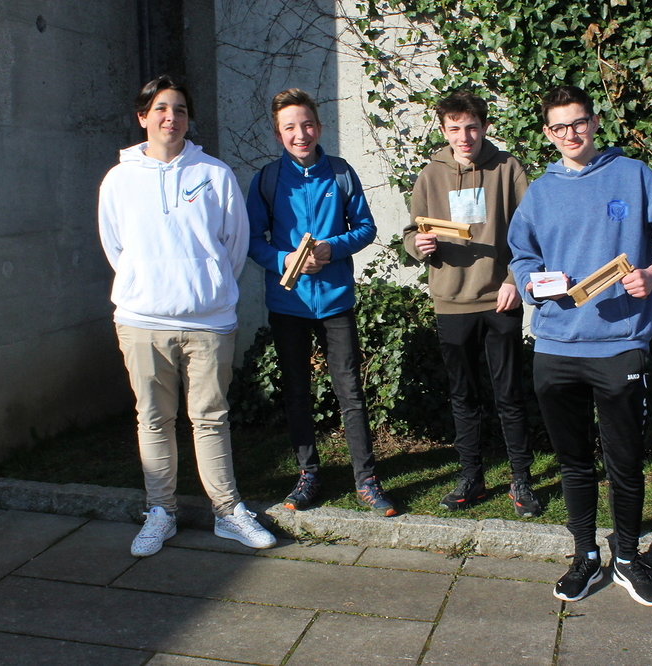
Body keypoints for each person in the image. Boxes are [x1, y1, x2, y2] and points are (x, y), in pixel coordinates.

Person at [508, 85, 652, 606]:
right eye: (559, 127)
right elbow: (521, 256)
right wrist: (533, 283)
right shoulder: (540, 191)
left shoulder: (633, 176)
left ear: (594, 123)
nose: (570, 134)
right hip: (555, 346)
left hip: (620, 345)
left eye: (579, 122)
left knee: (625, 461)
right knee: (573, 462)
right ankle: (586, 555)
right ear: (547, 132)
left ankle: (628, 558)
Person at [98, 75, 276, 557]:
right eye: (160, 108)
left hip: (208, 322)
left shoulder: (214, 174)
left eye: (179, 109)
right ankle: (161, 511)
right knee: (154, 418)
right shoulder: (119, 180)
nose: (170, 117)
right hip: (142, 320)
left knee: (210, 418)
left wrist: (205, 288)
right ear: (143, 116)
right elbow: (116, 247)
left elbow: (233, 245)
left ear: (188, 118)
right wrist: (148, 285)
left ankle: (228, 512)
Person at [246, 89, 396, 516]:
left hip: (335, 302)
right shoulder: (267, 180)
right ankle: (308, 474)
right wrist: (283, 259)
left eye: (307, 124)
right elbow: (252, 240)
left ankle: (366, 479)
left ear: (320, 127)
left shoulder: (341, 173)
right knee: (297, 393)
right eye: (290, 127)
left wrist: (332, 247)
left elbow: (365, 228)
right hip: (288, 304)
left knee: (351, 392)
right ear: (278, 134)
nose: (301, 134)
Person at [403, 90, 540, 517]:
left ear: (484, 127)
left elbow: (530, 232)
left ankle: (521, 479)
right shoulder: (430, 176)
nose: (464, 137)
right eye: (455, 129)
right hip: (451, 301)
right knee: (463, 396)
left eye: (472, 127)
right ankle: (471, 477)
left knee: (509, 394)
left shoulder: (508, 169)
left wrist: (515, 280)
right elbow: (411, 232)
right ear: (444, 131)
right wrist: (418, 246)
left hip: (500, 299)